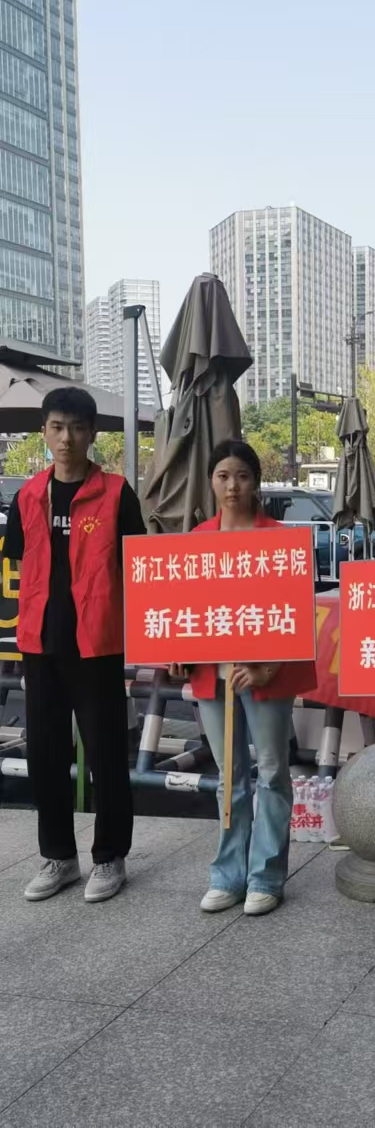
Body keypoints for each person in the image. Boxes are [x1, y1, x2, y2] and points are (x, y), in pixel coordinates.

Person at [2, 387, 146, 903]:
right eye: (57, 427)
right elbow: (21, 564)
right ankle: (59, 857)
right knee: (44, 755)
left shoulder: (116, 494)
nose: (66, 438)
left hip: (98, 645)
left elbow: (138, 567)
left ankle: (110, 857)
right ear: (43, 431)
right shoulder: (27, 496)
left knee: (106, 755)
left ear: (92, 434)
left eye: (77, 428)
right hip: (40, 644)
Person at [170, 440, 316, 917]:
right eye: (223, 476)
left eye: (242, 476)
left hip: (265, 676)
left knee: (272, 772)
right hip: (213, 675)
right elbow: (182, 610)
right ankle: (228, 875)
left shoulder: (280, 540)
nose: (232, 485)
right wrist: (177, 653)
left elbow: (297, 614)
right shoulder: (197, 539)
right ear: (211, 482)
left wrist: (267, 667)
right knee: (227, 776)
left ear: (256, 482)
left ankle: (266, 876)